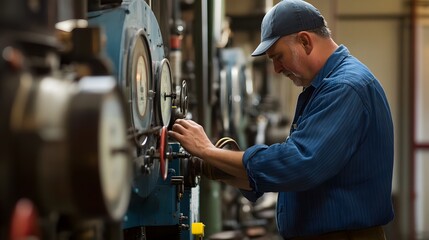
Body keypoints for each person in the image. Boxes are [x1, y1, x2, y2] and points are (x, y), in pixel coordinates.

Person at [168, 0, 394, 239]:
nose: (276, 69)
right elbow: (293, 172)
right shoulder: (320, 89)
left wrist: (207, 151)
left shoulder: (345, 88)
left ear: (305, 41)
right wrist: (221, 167)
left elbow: (300, 163)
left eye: (278, 56)